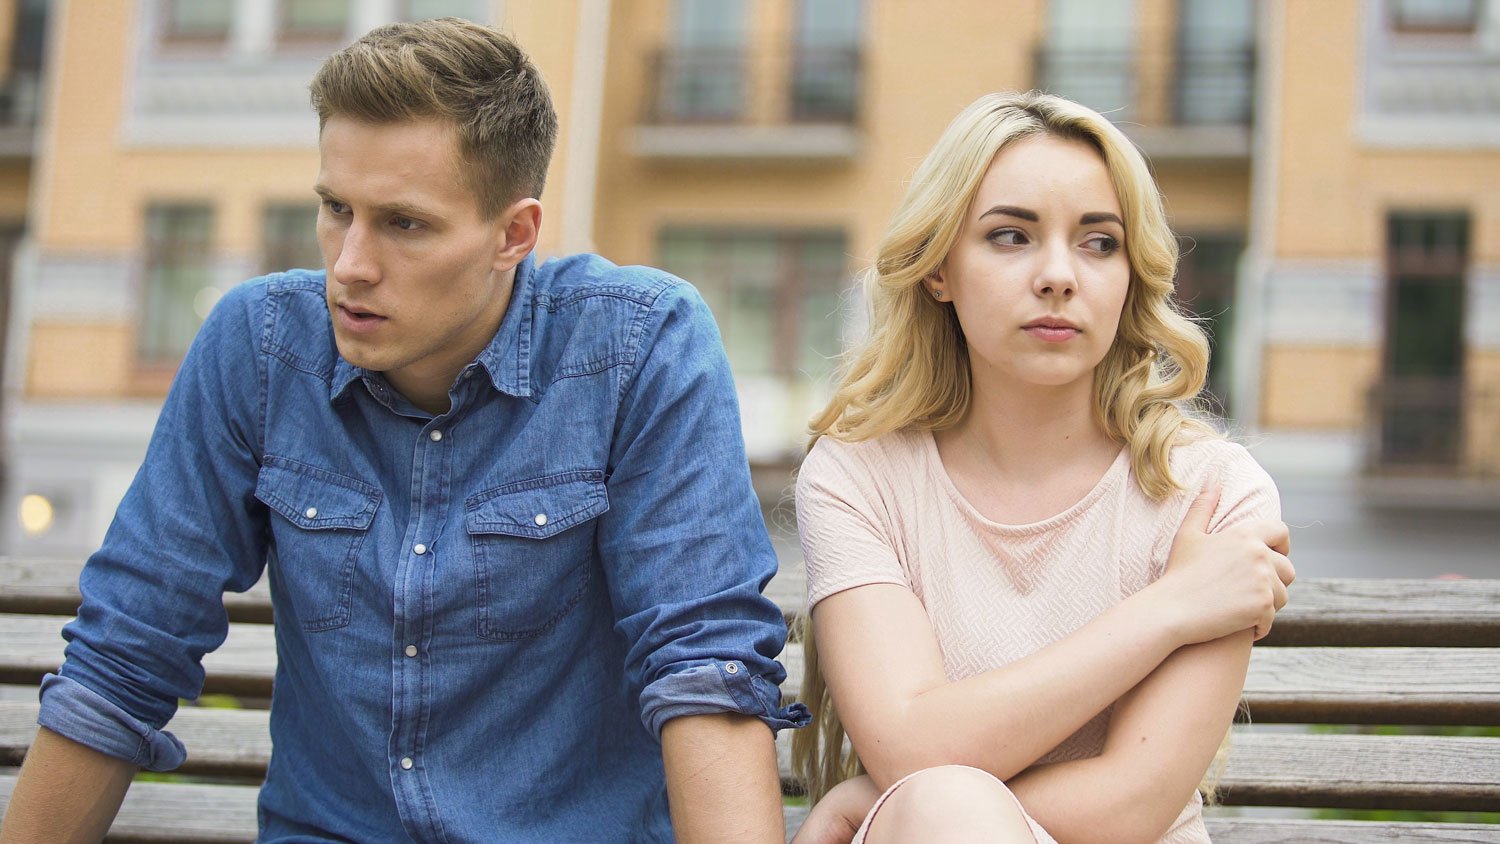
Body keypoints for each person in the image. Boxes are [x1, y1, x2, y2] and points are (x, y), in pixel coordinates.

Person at [0, 18, 805, 844]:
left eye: (403, 223)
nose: (349, 262)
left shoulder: (636, 347)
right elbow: (129, 649)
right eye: (335, 208)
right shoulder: (261, 347)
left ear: (513, 235)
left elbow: (705, 666)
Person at [788, 91, 1294, 844]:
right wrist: (1168, 609)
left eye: (1098, 243)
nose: (1060, 274)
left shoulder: (1214, 495)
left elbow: (1133, 805)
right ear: (939, 270)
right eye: (1010, 236)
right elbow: (911, 745)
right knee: (939, 808)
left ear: (1130, 277)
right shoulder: (858, 478)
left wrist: (882, 796)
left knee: (941, 804)